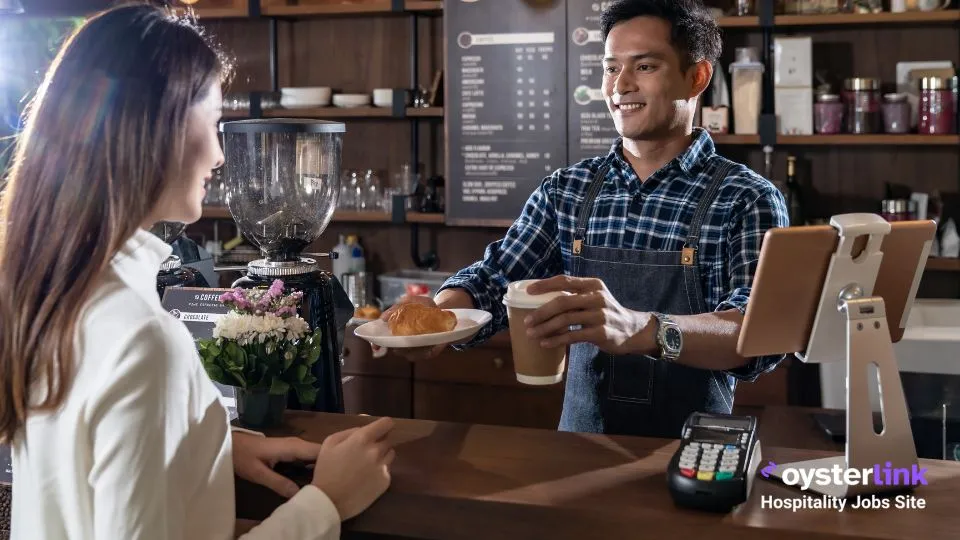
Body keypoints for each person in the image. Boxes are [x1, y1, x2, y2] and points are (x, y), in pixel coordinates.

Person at [0, 5, 396, 539]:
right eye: (212, 124)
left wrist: (206, 444)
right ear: (154, 132)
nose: (217, 155)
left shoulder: (47, 300)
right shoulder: (144, 342)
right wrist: (326, 503)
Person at [386, 0, 789, 439]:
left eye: (645, 67)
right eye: (611, 68)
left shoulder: (746, 198)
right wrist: (438, 318)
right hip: (579, 449)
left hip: (694, 459)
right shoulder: (568, 191)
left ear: (697, 77)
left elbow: (755, 332)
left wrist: (643, 329)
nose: (622, 85)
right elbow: (497, 278)